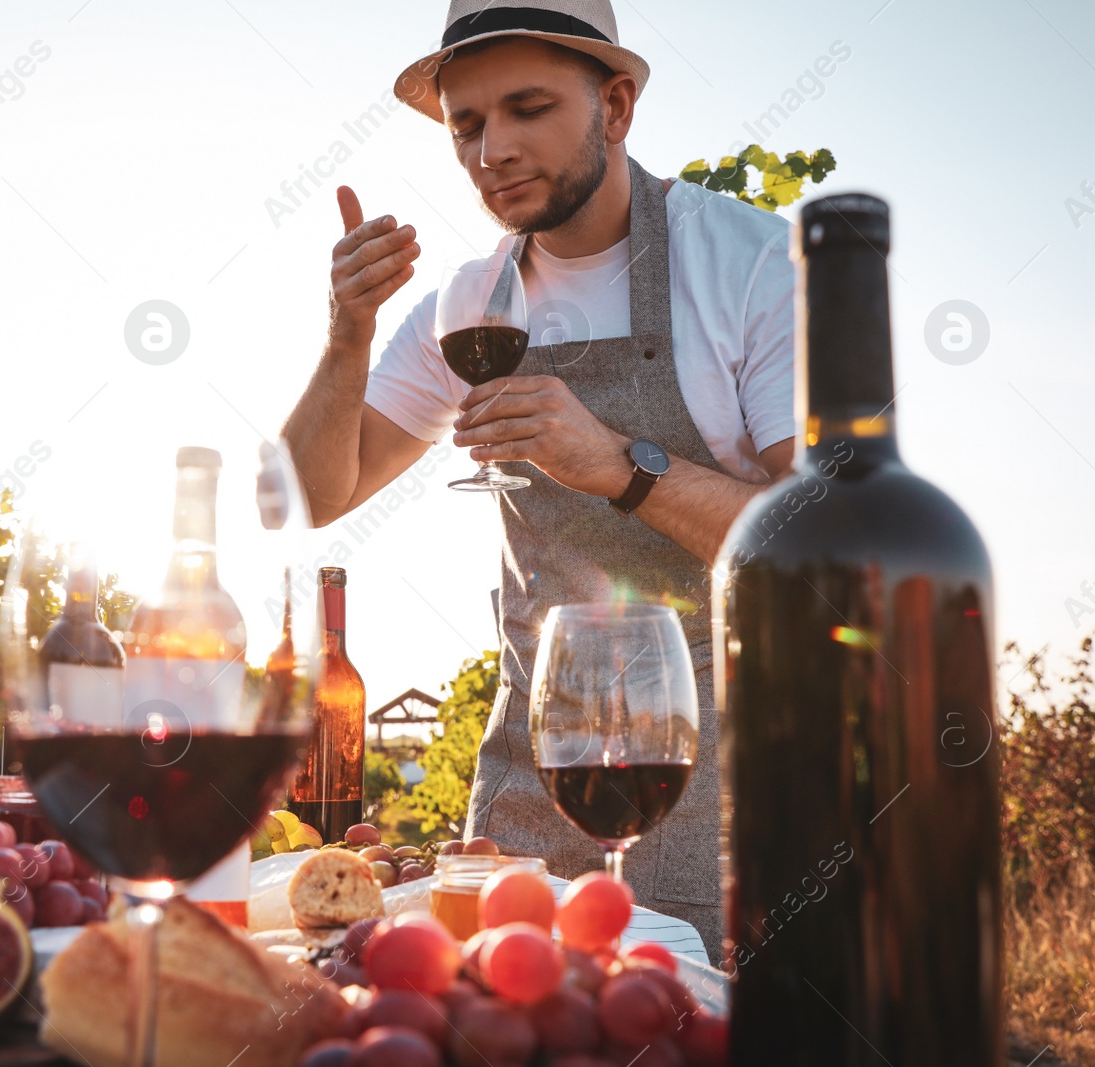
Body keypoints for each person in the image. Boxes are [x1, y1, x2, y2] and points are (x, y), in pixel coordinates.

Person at [281, 0, 797, 959]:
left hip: (721, 777)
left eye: (526, 109)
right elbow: (316, 493)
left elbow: (815, 547)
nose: (491, 152)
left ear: (616, 105)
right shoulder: (469, 301)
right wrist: (346, 333)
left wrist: (619, 466)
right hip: (530, 772)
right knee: (498, 1019)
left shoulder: (745, 260)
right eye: (467, 125)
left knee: (685, 1021)